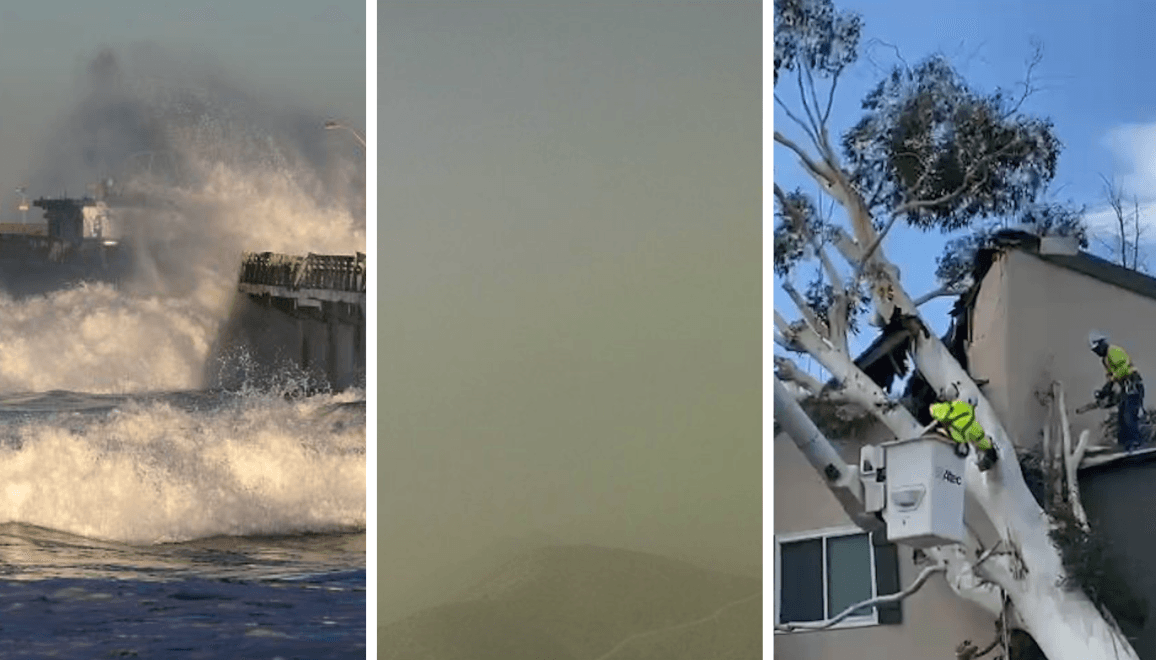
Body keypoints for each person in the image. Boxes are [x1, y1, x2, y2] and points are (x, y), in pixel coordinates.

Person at [1089, 331, 1146, 451]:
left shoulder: (1113, 351)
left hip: (1132, 385)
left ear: (1102, 344)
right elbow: (1111, 377)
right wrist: (1105, 391)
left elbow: (1123, 368)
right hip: (1125, 388)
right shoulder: (1105, 360)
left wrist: (1111, 382)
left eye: (1097, 349)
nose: (1097, 352)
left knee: (1129, 415)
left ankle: (1135, 443)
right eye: (1095, 351)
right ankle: (1124, 444)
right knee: (1121, 417)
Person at [928, 398, 998, 472]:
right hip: (972, 427)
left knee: (979, 440)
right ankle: (989, 451)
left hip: (969, 431)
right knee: (980, 439)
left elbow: (959, 438)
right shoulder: (955, 405)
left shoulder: (947, 421)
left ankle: (989, 454)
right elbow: (967, 407)